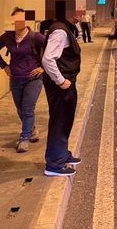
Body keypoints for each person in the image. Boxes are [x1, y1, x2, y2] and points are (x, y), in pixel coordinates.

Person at [0, 7, 45, 153]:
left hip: (34, 78)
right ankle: (32, 129)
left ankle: (24, 138)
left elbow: (53, 49)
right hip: (15, 78)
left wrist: (43, 67)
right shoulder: (7, 37)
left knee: (27, 108)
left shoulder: (35, 36)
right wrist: (4, 66)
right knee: (20, 109)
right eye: (15, 20)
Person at [41, 11, 82, 177]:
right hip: (61, 85)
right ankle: (55, 163)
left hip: (65, 82)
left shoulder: (65, 28)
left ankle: (61, 154)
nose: (82, 13)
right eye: (79, 10)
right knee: (60, 120)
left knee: (65, 120)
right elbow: (48, 59)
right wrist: (60, 80)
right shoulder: (60, 31)